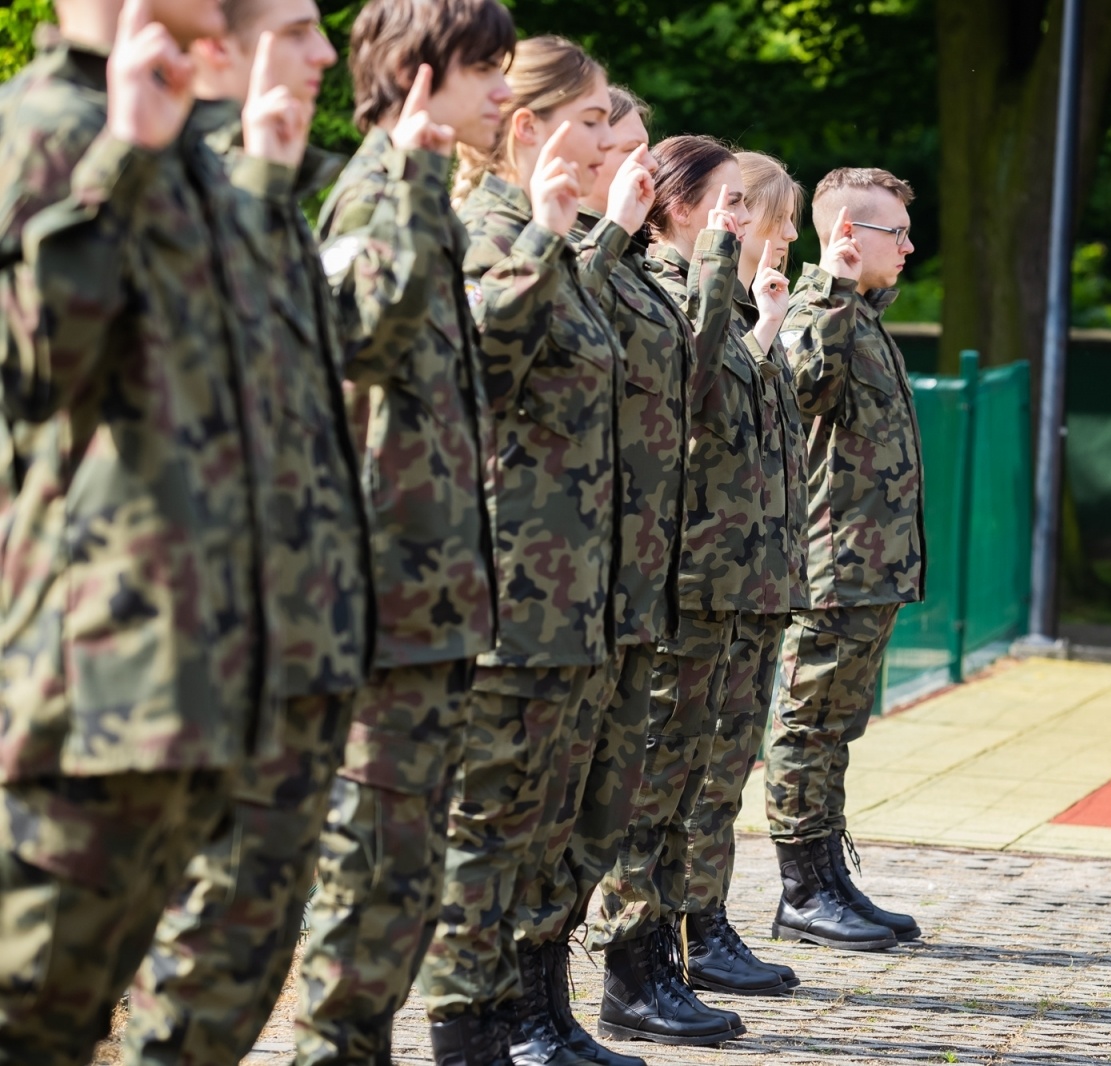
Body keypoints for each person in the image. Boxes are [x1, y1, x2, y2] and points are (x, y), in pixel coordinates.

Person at [0, 0, 282, 1061]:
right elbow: (27, 373)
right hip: (81, 673)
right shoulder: (39, 126)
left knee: (90, 1013)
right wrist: (122, 154)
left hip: (195, 670)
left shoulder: (196, 147)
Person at [117, 2, 374, 1062]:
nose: (326, 54)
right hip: (172, 646)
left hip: (291, 633)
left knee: (247, 944)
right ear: (218, 42)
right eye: (301, 28)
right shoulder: (132, 175)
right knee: (182, 949)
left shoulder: (258, 193)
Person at [292, 1, 513, 1061]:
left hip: (429, 606)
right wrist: (422, 177)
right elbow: (362, 343)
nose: (504, 94)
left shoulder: (418, 195)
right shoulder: (377, 193)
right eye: (485, 71)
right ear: (424, 75)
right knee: (367, 877)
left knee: (403, 884)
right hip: (381, 607)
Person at [417, 35, 637, 1066]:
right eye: (593, 120)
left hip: (571, 594)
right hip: (506, 592)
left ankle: (519, 1016)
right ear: (528, 126)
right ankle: (465, 1035)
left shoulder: (554, 235)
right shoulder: (486, 228)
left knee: (542, 828)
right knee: (487, 825)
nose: (609, 141)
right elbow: (472, 372)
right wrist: (547, 234)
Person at [585, 134, 783, 1047]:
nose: (737, 220)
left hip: (719, 580)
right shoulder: (659, 285)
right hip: (679, 577)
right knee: (656, 777)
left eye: (746, 205)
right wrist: (714, 266)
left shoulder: (706, 291)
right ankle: (631, 966)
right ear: (674, 202)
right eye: (726, 202)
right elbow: (691, 387)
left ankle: (660, 956)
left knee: (688, 777)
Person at [763, 167, 926, 950]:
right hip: (833, 565)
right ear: (851, 238)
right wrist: (829, 288)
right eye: (895, 232)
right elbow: (800, 392)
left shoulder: (860, 315)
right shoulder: (815, 310)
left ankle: (826, 877)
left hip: (871, 567)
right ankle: (800, 890)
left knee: (837, 728)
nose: (911, 245)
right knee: (807, 725)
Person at [678, 149, 810, 994]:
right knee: (690, 771)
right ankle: (678, 931)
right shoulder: (697, 308)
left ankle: (706, 919)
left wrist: (765, 326)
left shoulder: (745, 311)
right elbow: (703, 425)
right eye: (778, 217)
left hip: (754, 582)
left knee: (724, 769)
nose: (789, 235)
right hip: (704, 580)